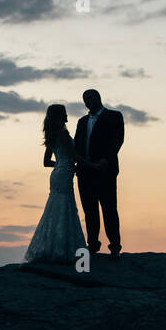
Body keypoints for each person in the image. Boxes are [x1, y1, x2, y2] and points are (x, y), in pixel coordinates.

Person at [24, 104, 90, 264]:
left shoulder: (51, 135)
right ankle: (63, 249)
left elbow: (47, 162)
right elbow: (73, 155)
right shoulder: (62, 133)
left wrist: (61, 164)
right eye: (65, 113)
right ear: (60, 116)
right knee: (64, 208)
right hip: (64, 174)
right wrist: (91, 165)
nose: (67, 115)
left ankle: (50, 247)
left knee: (55, 208)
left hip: (57, 174)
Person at [73, 89, 124, 259]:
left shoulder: (114, 116)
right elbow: (77, 144)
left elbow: (117, 140)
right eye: (84, 99)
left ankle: (115, 246)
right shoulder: (82, 121)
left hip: (105, 171)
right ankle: (92, 245)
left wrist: (106, 160)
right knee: (90, 211)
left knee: (109, 209)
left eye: (89, 97)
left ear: (98, 97)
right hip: (84, 171)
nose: (87, 101)